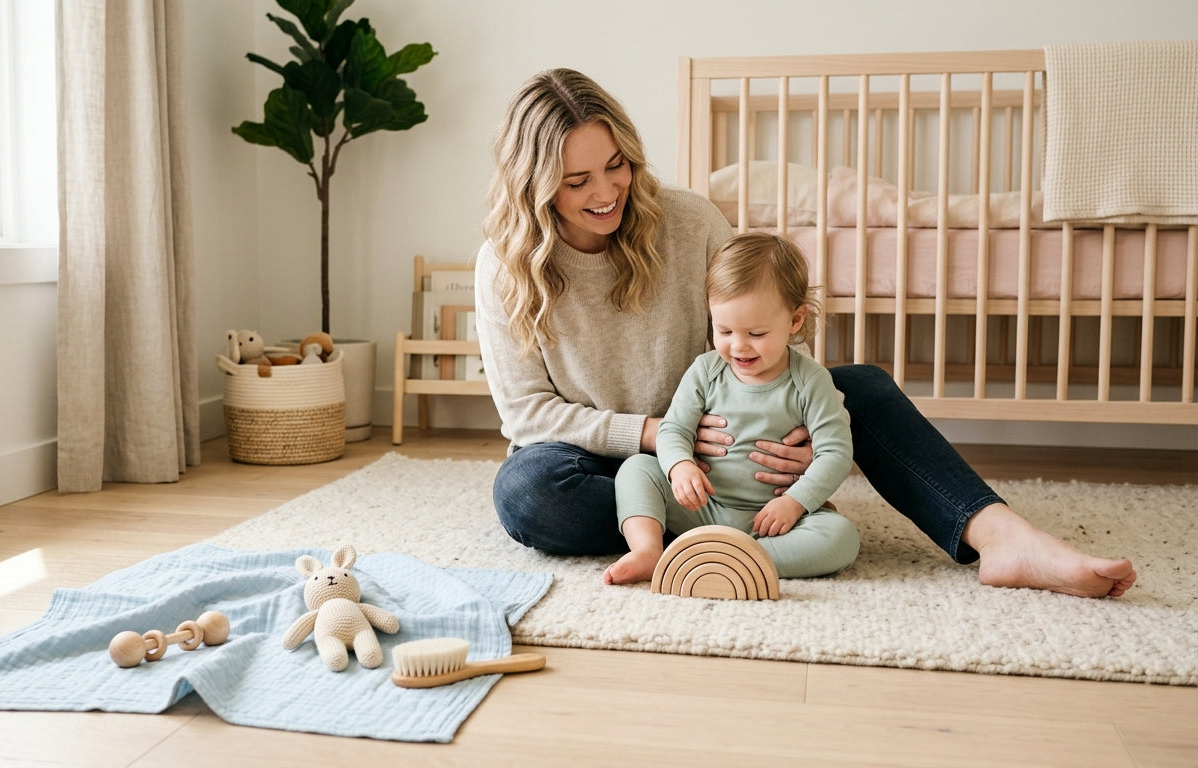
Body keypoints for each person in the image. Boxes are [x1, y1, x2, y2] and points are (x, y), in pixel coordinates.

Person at [474, 67, 1137, 599]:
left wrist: (794, 426)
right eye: (576, 180)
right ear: (534, 186)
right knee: (527, 494)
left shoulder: (687, 221)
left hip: (727, 441)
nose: (606, 191)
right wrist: (655, 437)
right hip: (616, 458)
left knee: (865, 389)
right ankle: (707, 542)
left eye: (616, 165)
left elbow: (763, 323)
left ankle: (1001, 538)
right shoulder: (504, 265)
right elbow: (528, 415)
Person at [606, 232, 859, 585]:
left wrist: (797, 502)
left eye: (756, 333)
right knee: (637, 469)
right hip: (701, 507)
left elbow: (835, 453)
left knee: (841, 539)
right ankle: (649, 551)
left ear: (795, 320)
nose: (738, 346)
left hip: (773, 518)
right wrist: (680, 468)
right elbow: (674, 430)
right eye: (724, 330)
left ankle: (736, 559)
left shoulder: (811, 381)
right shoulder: (706, 371)